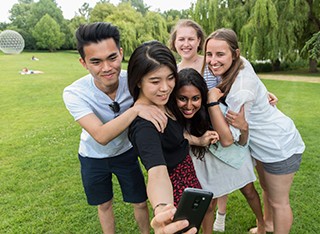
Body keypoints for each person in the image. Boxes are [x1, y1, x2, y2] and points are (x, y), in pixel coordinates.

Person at [170, 19, 278, 233]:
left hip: (224, 127)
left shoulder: (211, 61)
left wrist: (262, 93)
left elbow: (241, 78)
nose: (186, 43)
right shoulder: (172, 71)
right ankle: (218, 219)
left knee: (246, 187)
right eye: (181, 39)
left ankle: (256, 223)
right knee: (211, 191)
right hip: (199, 136)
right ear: (174, 42)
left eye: (191, 38)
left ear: (199, 40)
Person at [63, 22, 168, 234]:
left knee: (139, 201)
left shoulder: (134, 79)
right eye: (95, 61)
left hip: (126, 153)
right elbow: (101, 135)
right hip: (92, 156)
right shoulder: (74, 93)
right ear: (83, 62)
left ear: (121, 53)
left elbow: (164, 87)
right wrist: (136, 110)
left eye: (112, 57)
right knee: (104, 204)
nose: (107, 68)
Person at [204, 28, 305, 234]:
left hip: (278, 145)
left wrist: (211, 101)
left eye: (220, 54)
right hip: (261, 145)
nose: (213, 60)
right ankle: (265, 226)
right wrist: (264, 93)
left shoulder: (239, 93)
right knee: (267, 191)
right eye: (209, 54)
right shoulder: (242, 64)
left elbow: (228, 140)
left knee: (279, 202)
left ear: (235, 53)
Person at [127, 41, 217, 233]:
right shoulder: (144, 126)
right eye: (154, 81)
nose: (165, 87)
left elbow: (178, 134)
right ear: (137, 81)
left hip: (188, 172)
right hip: (173, 184)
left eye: (170, 78)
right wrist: (162, 208)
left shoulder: (164, 103)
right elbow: (157, 172)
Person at [175, 68, 265, 234]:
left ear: (203, 97)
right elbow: (172, 136)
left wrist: (244, 129)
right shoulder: (173, 115)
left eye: (195, 98)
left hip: (231, 156)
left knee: (249, 192)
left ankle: (262, 225)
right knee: (208, 204)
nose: (189, 105)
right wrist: (198, 140)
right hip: (204, 162)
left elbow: (238, 140)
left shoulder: (216, 110)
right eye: (182, 98)